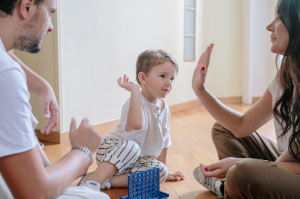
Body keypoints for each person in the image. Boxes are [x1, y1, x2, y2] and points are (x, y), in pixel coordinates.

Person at [0, 0, 109, 198]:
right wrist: (82, 151)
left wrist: (42, 86)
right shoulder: (6, 74)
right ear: (27, 7)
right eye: (50, 13)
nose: (50, 26)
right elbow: (35, 193)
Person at [191, 0, 300, 198]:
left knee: (243, 172)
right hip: (287, 162)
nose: (269, 26)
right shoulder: (285, 76)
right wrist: (200, 90)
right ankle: (236, 185)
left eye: (279, 18)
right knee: (223, 128)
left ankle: (231, 185)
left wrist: (241, 165)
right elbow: (241, 126)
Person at [78, 49, 185, 190]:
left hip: (137, 162)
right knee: (132, 147)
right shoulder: (134, 101)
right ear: (143, 78)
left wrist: (164, 170)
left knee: (160, 173)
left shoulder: (165, 109)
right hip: (114, 152)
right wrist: (135, 91)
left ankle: (105, 181)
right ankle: (96, 180)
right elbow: (137, 124)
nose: (169, 83)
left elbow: (165, 141)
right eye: (163, 76)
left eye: (171, 78)